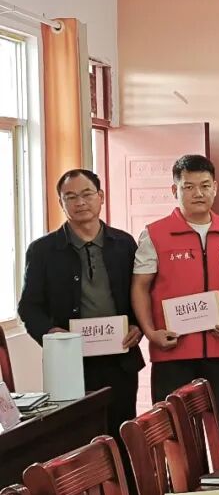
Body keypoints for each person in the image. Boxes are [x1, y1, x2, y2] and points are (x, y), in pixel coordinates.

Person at [131, 154, 219, 460]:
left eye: (205, 185)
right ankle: (182, 487)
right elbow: (140, 286)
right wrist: (150, 332)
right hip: (173, 352)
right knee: (175, 434)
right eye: (189, 186)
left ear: (215, 187)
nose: (198, 193)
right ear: (175, 190)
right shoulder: (154, 234)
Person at [18, 169, 144, 440]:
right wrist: (51, 334)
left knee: (122, 436)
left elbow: (140, 295)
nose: (80, 202)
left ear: (101, 197)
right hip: (69, 364)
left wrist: (138, 326)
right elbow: (29, 307)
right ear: (61, 203)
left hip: (119, 361)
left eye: (87, 194)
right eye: (71, 197)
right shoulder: (42, 251)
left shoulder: (124, 244)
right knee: (76, 440)